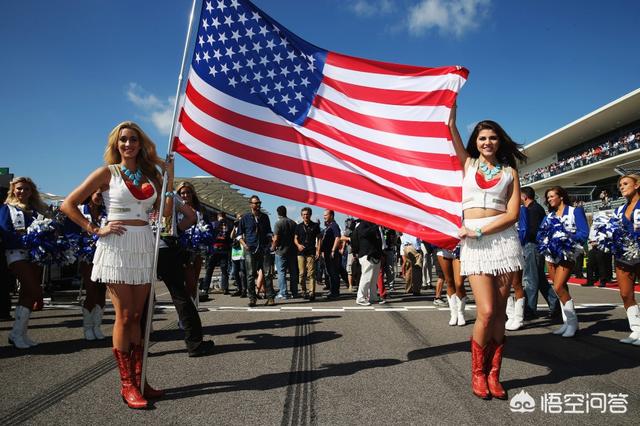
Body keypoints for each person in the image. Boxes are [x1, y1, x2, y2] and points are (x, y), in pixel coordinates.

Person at [60, 121, 170, 409]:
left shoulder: (150, 174)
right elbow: (68, 204)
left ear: (141, 143)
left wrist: (169, 176)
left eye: (133, 139)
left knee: (137, 315)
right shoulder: (106, 173)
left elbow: (165, 211)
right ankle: (127, 385)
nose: (128, 144)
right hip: (118, 245)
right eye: (123, 139)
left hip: (144, 243)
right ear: (116, 144)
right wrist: (95, 229)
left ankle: (140, 378)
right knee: (123, 317)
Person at [450, 108, 526, 400]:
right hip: (475, 245)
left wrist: (480, 231)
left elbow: (513, 214)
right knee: (487, 311)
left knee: (500, 316)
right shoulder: (467, 164)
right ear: (476, 141)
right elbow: (450, 128)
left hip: (502, 241)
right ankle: (478, 374)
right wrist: (452, 105)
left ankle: (495, 375)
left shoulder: (509, 173)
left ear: (499, 141)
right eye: (482, 138)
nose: (487, 142)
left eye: (493, 138)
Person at [156, 192, 215, 357]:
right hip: (165, 246)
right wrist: (177, 230)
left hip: (137, 245)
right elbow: (191, 216)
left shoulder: (132, 188)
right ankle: (194, 343)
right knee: (180, 296)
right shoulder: (167, 193)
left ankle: (135, 343)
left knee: (140, 298)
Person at [0, 177, 48, 349]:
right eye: (19, 188)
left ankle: (18, 334)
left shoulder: (37, 211)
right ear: (13, 190)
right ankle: (16, 334)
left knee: (27, 293)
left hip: (35, 255)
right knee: (34, 289)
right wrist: (26, 240)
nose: (22, 192)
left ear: (31, 192)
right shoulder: (6, 208)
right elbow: (6, 232)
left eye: (26, 189)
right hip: (16, 254)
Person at [541, 186, 589, 339]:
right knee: (559, 289)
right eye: (547, 197)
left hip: (568, 253)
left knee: (558, 286)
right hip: (551, 255)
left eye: (552, 196)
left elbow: (584, 233)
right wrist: (545, 240)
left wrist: (565, 237)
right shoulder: (549, 216)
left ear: (561, 197)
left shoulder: (575, 211)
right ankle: (566, 322)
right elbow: (540, 233)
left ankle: (573, 324)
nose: (549, 199)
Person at [64, 189, 108, 340]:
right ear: (90, 194)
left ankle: (97, 326)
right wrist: (83, 244)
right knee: (92, 288)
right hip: (87, 256)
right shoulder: (80, 210)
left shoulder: (107, 210)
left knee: (102, 290)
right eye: (98, 194)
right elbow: (70, 232)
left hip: (105, 255)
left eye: (104, 195)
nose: (101, 197)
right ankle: (87, 327)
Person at [608, 175, 640, 345]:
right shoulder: (618, 210)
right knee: (625, 294)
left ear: (637, 185)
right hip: (623, 256)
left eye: (625, 183)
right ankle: (636, 330)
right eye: (620, 185)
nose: (621, 187)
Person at [519, 186, 558, 319]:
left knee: (530, 278)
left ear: (525, 197)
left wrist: (521, 235)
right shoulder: (536, 208)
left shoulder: (532, 210)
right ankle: (556, 305)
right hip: (535, 246)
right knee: (540, 279)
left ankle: (530, 309)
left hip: (533, 246)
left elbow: (533, 231)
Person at [237, 195, 275, 307]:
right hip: (250, 249)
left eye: (259, 203)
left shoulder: (265, 217)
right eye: (255, 203)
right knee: (250, 274)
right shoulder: (245, 218)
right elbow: (239, 235)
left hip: (263, 249)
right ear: (250, 204)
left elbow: (269, 232)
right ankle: (252, 298)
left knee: (267, 274)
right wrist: (245, 245)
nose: (258, 205)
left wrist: (269, 243)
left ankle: (270, 298)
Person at [175, 181, 207, 304]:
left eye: (188, 192)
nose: (185, 195)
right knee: (188, 282)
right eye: (182, 193)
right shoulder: (175, 209)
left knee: (193, 282)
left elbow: (207, 227)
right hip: (181, 249)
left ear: (193, 194)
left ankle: (192, 308)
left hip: (197, 249)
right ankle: (186, 313)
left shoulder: (201, 209)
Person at [352, 219, 384, 306]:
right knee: (366, 277)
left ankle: (373, 296)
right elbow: (364, 234)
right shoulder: (363, 224)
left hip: (374, 254)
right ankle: (360, 297)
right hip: (367, 254)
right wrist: (375, 226)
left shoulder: (373, 225)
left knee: (373, 279)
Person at [201, 211, 232, 298]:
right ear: (225, 217)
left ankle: (205, 288)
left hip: (214, 249)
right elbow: (230, 238)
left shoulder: (214, 224)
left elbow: (208, 234)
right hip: (224, 249)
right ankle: (225, 288)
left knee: (209, 270)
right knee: (224, 271)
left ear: (218, 216)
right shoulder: (229, 225)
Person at [294, 207, 321, 301]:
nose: (306, 216)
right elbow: (295, 238)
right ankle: (303, 291)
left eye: (307, 214)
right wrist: (298, 245)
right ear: (301, 216)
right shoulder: (298, 226)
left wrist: (318, 250)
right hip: (300, 252)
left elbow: (319, 239)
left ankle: (311, 292)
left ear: (310, 215)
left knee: (311, 273)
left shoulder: (315, 226)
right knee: (302, 273)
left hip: (311, 252)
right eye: (304, 214)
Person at [273, 206, 299, 300]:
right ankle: (295, 292)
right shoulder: (293, 223)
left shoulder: (278, 223)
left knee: (281, 272)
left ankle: (283, 292)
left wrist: (273, 247)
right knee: (293, 272)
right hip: (292, 251)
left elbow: (276, 238)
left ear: (278, 213)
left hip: (281, 251)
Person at [319, 209, 341, 299]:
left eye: (326, 215)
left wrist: (333, 250)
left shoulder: (334, 225)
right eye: (324, 215)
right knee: (330, 273)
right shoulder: (328, 226)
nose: (324, 217)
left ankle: (335, 292)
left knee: (333, 273)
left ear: (331, 215)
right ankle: (332, 290)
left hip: (332, 253)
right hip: (327, 253)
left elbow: (337, 237)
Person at [230, 213, 247, 297]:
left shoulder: (245, 227)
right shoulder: (236, 227)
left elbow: (244, 238)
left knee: (243, 272)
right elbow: (231, 236)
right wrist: (234, 227)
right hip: (235, 252)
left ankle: (244, 289)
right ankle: (239, 288)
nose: (239, 220)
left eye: (241, 218)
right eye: (238, 218)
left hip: (242, 252)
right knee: (235, 272)